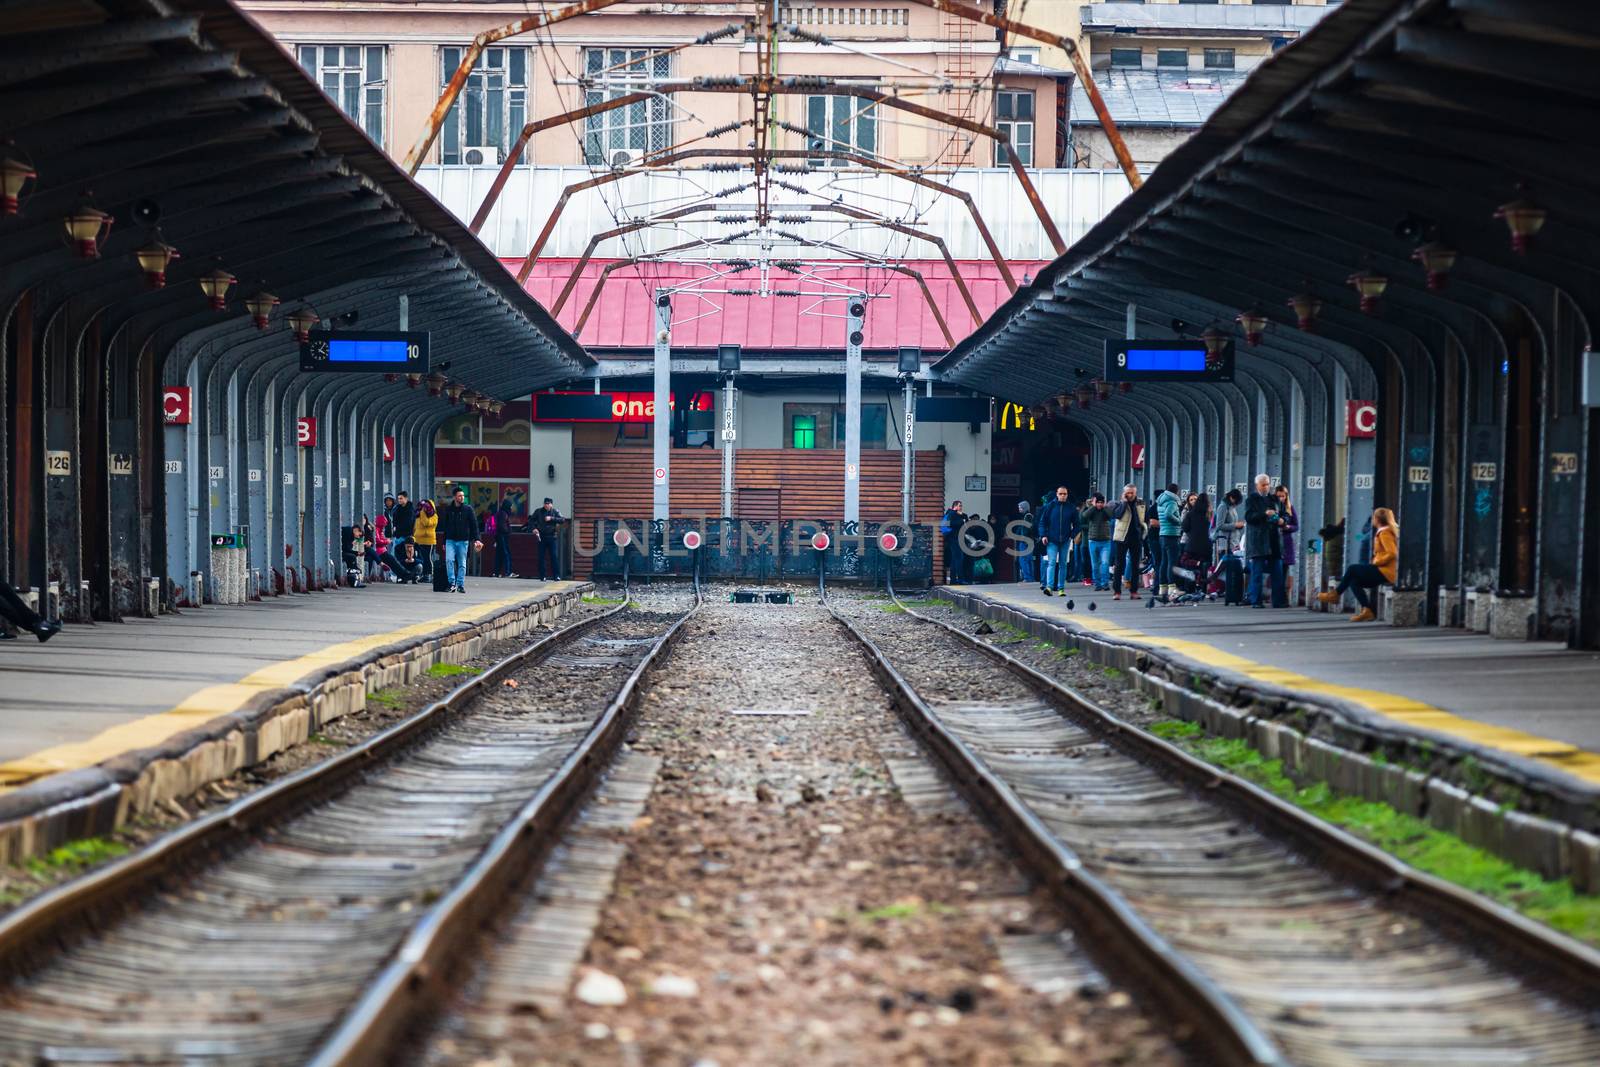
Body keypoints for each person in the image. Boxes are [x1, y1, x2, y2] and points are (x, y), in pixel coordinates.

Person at [1318, 507, 1398, 622]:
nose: (1372, 521)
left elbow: (1392, 553)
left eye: (1373, 518)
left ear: (1377, 519)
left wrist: (1377, 562)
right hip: (1384, 571)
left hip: (1386, 571)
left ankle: (1335, 594)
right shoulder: (1386, 531)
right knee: (1353, 581)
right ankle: (1367, 611)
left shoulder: (1385, 533)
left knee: (1352, 569)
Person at [1244, 474, 1287, 608]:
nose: (1266, 487)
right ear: (1257, 485)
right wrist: (1265, 514)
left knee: (1278, 572)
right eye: (1263, 484)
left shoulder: (1275, 499)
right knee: (1257, 573)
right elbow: (1249, 517)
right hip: (1258, 541)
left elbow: (1285, 513)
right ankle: (1256, 601)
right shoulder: (1251, 499)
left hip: (1274, 540)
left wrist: (1282, 520)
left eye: (1268, 484)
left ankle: (1278, 601)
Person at [438, 487, 483, 593]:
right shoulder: (449, 509)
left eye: (463, 496)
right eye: (459, 496)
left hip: (463, 540)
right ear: (454, 497)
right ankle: (452, 583)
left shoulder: (468, 509)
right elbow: (445, 526)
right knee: (449, 560)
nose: (462, 497)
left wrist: (477, 539)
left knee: (462, 563)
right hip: (450, 540)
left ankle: (460, 585)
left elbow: (474, 525)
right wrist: (444, 541)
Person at [1036, 486, 1078, 596]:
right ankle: (1049, 587)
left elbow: (1078, 524)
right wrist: (1043, 535)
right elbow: (1042, 522)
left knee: (1063, 564)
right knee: (1052, 562)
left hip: (1065, 540)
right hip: (1052, 540)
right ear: (1057, 494)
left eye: (1065, 494)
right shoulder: (1050, 507)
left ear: (1067, 495)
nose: (1063, 496)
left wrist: (1071, 535)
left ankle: (1061, 588)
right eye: (1061, 494)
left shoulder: (1071, 508)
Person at [1109, 484, 1148, 601]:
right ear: (1124, 493)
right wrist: (1124, 502)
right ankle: (1117, 591)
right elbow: (1118, 515)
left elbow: (1145, 518)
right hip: (1122, 537)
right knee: (1119, 565)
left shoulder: (1141, 503)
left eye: (1132, 493)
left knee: (1135, 565)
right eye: (1128, 493)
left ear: (1135, 493)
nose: (1130, 495)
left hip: (1136, 537)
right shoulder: (1119, 504)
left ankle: (1134, 591)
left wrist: (1144, 530)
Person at [1212, 489, 1246, 605]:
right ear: (1231, 498)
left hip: (1233, 541)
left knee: (1231, 567)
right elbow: (1220, 525)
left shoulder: (1231, 507)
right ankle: (1221, 589)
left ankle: (1227, 590)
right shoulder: (1223, 507)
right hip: (1225, 542)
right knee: (1226, 567)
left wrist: (1238, 526)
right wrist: (1235, 525)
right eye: (1236, 500)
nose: (1236, 503)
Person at [1154, 482, 1183, 601]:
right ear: (1176, 492)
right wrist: (1179, 521)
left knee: (1164, 562)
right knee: (1172, 562)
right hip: (1171, 534)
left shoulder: (1161, 500)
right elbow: (1168, 515)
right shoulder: (1171, 501)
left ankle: (1163, 587)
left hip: (1163, 535)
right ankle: (1172, 587)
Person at [1078, 493, 1113, 591]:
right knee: (1095, 564)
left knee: (1105, 562)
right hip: (1093, 540)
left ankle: (1105, 583)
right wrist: (1093, 506)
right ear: (1094, 502)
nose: (1100, 504)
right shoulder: (1091, 510)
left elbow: (1111, 515)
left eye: (1101, 502)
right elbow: (1084, 516)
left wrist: (1105, 506)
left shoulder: (1106, 511)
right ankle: (1097, 584)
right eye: (1098, 502)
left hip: (1105, 541)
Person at [1275, 484, 1300, 605]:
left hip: (1286, 543)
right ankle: (1278, 598)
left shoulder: (1290, 508)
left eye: (1283, 496)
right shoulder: (1272, 507)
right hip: (1274, 543)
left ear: (1286, 496)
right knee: (1277, 572)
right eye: (1278, 496)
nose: (1281, 498)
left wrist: (1288, 527)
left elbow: (1296, 526)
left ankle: (1283, 599)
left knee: (1283, 572)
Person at [531, 497, 564, 580]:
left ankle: (556, 576)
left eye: (548, 504)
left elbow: (562, 520)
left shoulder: (555, 511)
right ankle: (542, 576)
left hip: (552, 537)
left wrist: (552, 518)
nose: (547, 505)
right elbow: (531, 520)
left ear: (551, 504)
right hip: (541, 536)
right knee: (541, 557)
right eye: (545, 503)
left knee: (554, 556)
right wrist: (534, 528)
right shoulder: (538, 511)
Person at [1183, 492, 1213, 573]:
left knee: (1185, 562)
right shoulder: (1210, 513)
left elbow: (1185, 528)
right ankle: (1202, 583)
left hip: (1192, 545)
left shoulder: (1190, 514)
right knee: (1204, 569)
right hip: (1207, 546)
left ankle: (1192, 581)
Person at [941, 500, 967, 584]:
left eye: (961, 506)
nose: (961, 507)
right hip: (954, 538)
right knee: (959, 558)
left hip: (954, 538)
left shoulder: (954, 514)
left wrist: (963, 516)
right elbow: (950, 523)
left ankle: (953, 579)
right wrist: (962, 521)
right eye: (960, 505)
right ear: (955, 506)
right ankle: (960, 579)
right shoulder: (952, 514)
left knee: (954, 559)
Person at [412, 499, 437, 581]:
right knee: (420, 558)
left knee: (427, 558)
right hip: (418, 540)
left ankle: (429, 574)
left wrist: (422, 513)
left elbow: (426, 523)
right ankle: (422, 574)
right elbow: (415, 527)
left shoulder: (434, 516)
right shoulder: (418, 516)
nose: (424, 509)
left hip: (428, 540)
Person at [1012, 499, 1036, 584]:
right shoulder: (1029, 516)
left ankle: (1027, 577)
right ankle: (1031, 578)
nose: (1019, 509)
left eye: (1020, 507)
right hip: (1030, 541)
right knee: (1029, 560)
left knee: (1023, 559)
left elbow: (1026, 529)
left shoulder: (1027, 517)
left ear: (1025, 508)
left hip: (1025, 541)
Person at [493, 498, 518, 579]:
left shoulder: (501, 513)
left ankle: (496, 573)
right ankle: (508, 572)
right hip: (502, 537)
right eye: (510, 506)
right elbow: (502, 526)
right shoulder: (503, 514)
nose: (511, 508)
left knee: (499, 555)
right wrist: (508, 531)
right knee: (506, 554)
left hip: (499, 536)